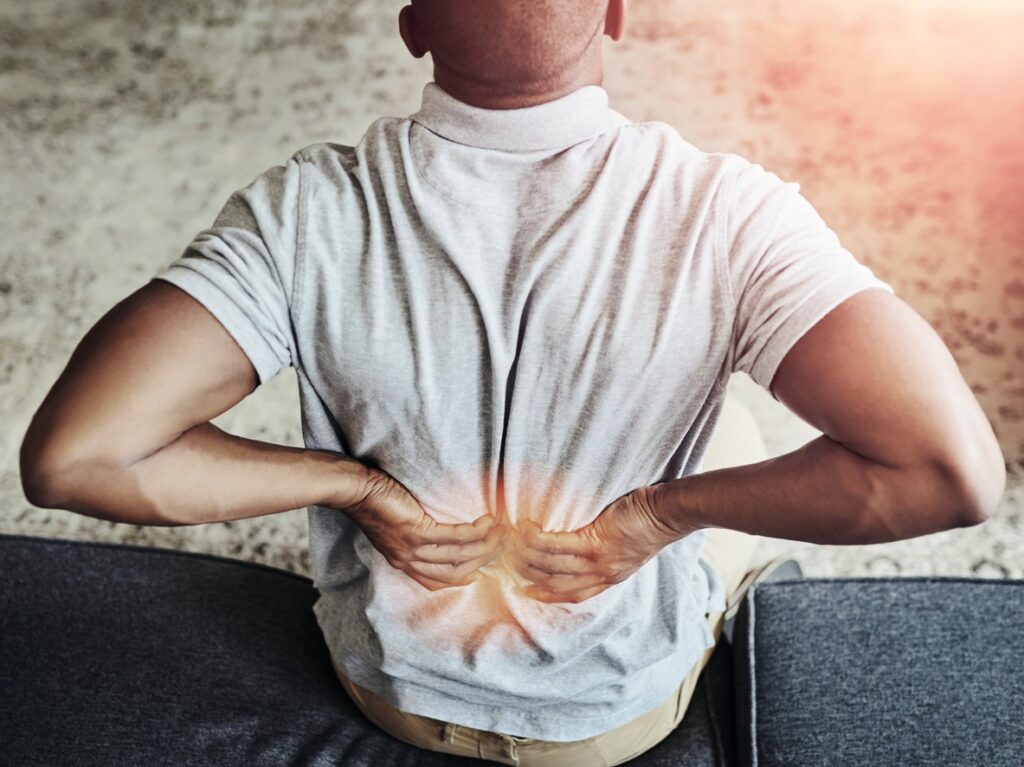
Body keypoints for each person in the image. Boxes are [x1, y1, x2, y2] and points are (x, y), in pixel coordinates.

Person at [20, 0, 1005, 765]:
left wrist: (353, 483)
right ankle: (723, 594)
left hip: (389, 691)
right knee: (734, 434)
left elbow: (79, 455)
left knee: (717, 425)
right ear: (616, 12)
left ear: (413, 25)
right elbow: (947, 471)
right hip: (607, 721)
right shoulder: (728, 215)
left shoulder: (305, 211)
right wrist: (655, 514)